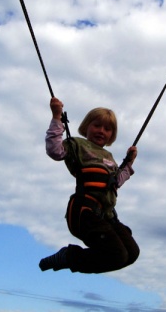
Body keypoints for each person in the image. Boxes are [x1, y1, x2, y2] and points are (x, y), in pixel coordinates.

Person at [39, 97, 140, 273]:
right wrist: (56, 117)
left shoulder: (108, 157)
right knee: (118, 255)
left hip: (106, 216)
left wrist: (129, 162)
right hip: (85, 213)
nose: (102, 131)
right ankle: (69, 257)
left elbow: (116, 181)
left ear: (112, 135)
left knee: (132, 253)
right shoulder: (77, 145)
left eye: (107, 129)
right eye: (97, 126)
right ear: (87, 127)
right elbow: (54, 150)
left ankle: (75, 257)